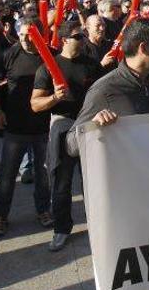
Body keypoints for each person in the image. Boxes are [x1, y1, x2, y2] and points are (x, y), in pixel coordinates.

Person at [69, 17, 149, 290]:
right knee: (114, 276)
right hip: (116, 203)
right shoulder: (104, 90)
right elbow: (71, 143)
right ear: (144, 47)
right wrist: (94, 127)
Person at [31, 20, 101, 252]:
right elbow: (35, 105)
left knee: (93, 182)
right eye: (77, 37)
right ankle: (61, 228)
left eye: (82, 36)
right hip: (62, 125)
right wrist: (54, 98)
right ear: (64, 40)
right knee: (61, 182)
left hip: (89, 126)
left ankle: (99, 226)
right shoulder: (48, 67)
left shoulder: (92, 64)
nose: (82, 40)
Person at [0, 17, 53, 238]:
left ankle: (43, 210)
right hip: (15, 126)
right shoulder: (9, 54)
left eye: (31, 34)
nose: (26, 38)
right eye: (23, 33)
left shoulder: (50, 54)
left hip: (43, 125)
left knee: (43, 173)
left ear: (40, 35)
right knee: (7, 174)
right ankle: (0, 216)